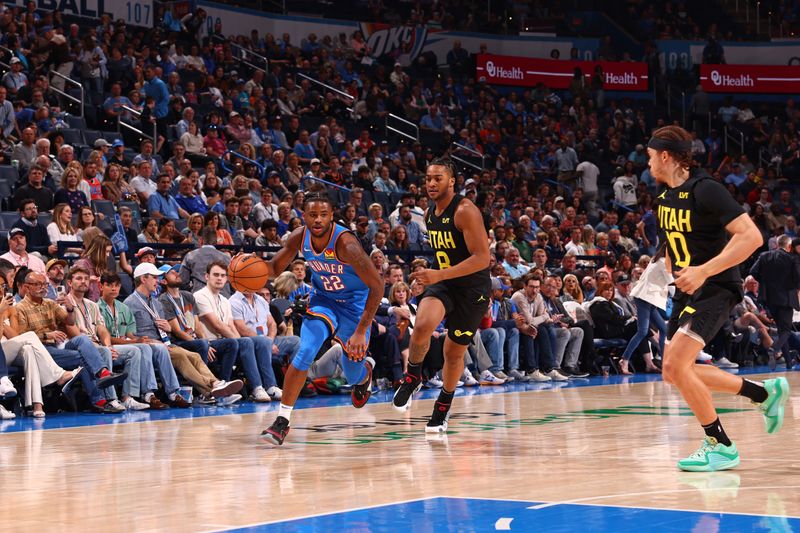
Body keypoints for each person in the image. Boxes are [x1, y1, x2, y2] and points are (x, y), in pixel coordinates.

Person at [649, 125, 789, 471]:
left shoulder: (706, 189)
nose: (648, 162)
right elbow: (672, 241)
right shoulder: (664, 195)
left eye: (651, 155)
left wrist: (703, 270)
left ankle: (720, 444)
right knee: (674, 373)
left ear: (666, 156)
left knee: (673, 365)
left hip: (715, 286)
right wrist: (673, 270)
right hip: (687, 289)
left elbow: (751, 236)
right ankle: (763, 394)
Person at [259, 188, 383, 445]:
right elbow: (272, 269)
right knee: (306, 350)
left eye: (323, 215)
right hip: (324, 300)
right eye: (312, 214)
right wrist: (250, 265)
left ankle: (364, 374)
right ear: (303, 215)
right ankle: (282, 421)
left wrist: (361, 330)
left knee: (351, 374)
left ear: (331, 216)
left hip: (355, 307)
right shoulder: (298, 237)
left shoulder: (346, 244)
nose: (317, 220)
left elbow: (377, 285)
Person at [392, 158, 491, 433]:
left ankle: (443, 404)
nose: (431, 183)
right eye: (428, 178)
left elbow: (483, 259)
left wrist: (438, 275)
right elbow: (444, 256)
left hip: (472, 290)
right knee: (422, 324)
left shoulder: (465, 211)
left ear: (452, 181)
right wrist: (429, 278)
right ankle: (413, 376)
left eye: (438, 178)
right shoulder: (430, 212)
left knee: (452, 351)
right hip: (445, 280)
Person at [123, 262, 243, 405]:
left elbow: (166, 330)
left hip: (164, 343)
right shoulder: (129, 303)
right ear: (143, 279)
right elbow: (127, 334)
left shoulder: (156, 303)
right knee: (181, 356)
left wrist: (168, 329)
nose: (157, 281)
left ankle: (216, 385)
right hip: (147, 345)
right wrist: (145, 341)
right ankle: (213, 389)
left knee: (195, 356)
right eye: (154, 278)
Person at [98, 272, 190, 409]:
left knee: (158, 347)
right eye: (109, 285)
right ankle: (146, 393)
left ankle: (171, 393)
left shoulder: (123, 307)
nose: (113, 289)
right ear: (101, 287)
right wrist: (135, 342)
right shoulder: (96, 307)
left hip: (127, 345)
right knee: (140, 348)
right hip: (108, 347)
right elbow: (106, 337)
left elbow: (130, 334)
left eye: (117, 286)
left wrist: (142, 340)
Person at [194, 261, 279, 402]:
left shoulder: (224, 300)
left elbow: (231, 325)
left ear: (227, 279)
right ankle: (257, 387)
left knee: (262, 340)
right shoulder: (200, 296)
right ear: (206, 277)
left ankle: (270, 386)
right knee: (243, 342)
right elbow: (217, 325)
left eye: (222, 275)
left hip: (228, 341)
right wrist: (240, 341)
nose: (219, 278)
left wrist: (240, 340)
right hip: (210, 344)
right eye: (215, 275)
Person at [749, 234, 800, 370]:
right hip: (786, 299)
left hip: (769, 298)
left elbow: (753, 272)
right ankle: (774, 348)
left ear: (777, 244)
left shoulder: (764, 256)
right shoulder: (792, 258)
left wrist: (766, 283)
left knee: (782, 330)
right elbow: (798, 278)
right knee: (786, 331)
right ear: (789, 246)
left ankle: (789, 362)